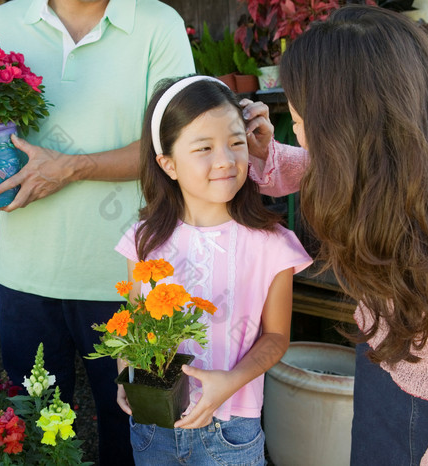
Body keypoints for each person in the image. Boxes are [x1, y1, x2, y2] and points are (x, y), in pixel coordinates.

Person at [0, 1, 195, 464]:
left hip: (130, 282)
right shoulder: (6, 21)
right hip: (27, 275)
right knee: (31, 436)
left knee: (133, 437)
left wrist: (72, 168)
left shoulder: (156, 24)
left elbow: (175, 144)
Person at [247, 5, 428, 465]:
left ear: (349, 129)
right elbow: (325, 170)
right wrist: (269, 152)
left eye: (301, 125)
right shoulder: (396, 167)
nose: (299, 138)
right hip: (385, 367)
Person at [114, 75, 312, 465]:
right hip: (155, 425)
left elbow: (276, 336)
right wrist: (127, 371)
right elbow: (134, 323)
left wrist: (230, 383)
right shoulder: (145, 240)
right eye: (204, 147)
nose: (225, 160)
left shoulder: (271, 243)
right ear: (168, 164)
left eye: (236, 143)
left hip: (232, 430)